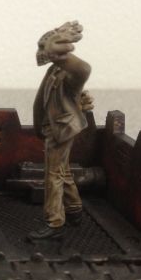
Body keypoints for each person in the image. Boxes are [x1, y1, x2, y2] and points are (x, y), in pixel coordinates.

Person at [29, 21, 93, 240]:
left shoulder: (69, 72)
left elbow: (83, 70)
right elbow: (45, 100)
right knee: (62, 170)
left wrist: (62, 57)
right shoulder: (53, 71)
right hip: (53, 126)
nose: (41, 52)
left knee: (53, 174)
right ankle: (74, 210)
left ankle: (55, 222)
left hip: (62, 128)